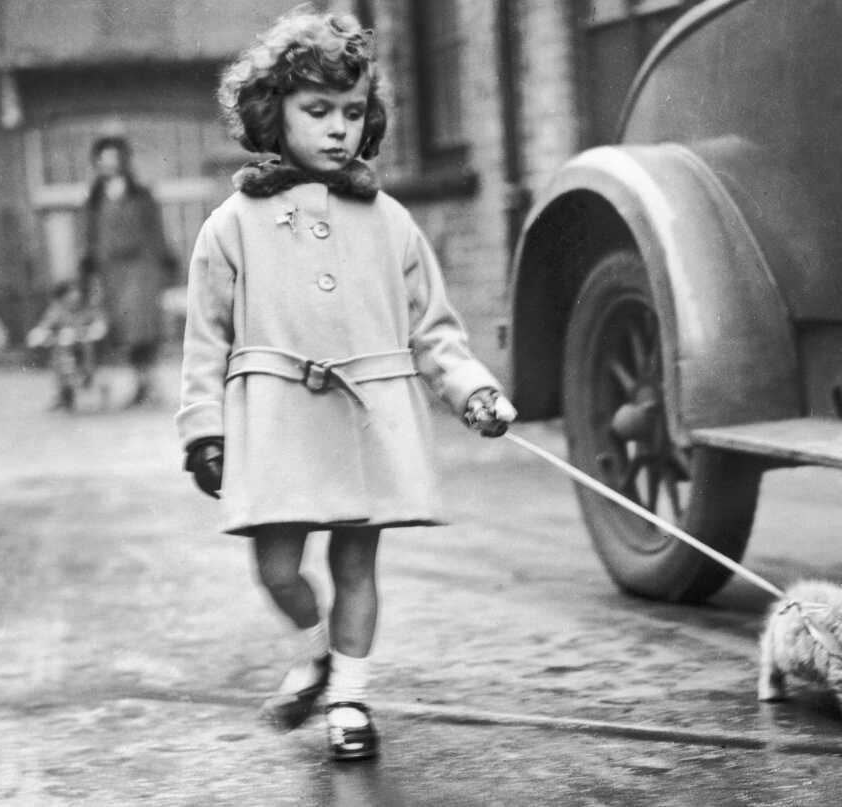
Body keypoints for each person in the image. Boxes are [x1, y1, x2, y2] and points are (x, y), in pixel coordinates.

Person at [175, 8, 516, 761]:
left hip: (370, 415)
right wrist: (204, 428)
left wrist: (473, 391)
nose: (339, 129)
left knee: (356, 562)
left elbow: (434, 328)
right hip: (275, 417)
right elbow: (207, 338)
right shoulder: (233, 224)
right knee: (276, 567)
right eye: (318, 111)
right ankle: (316, 646)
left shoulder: (390, 220)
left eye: (353, 112)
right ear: (274, 114)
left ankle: (351, 697)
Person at [81, 135, 176, 407]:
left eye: (114, 157)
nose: (109, 164)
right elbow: (89, 237)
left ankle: (148, 384)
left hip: (143, 269)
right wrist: (89, 269)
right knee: (123, 330)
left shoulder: (142, 195)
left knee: (144, 328)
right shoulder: (94, 199)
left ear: (124, 161)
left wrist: (165, 266)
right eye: (103, 158)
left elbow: (157, 233)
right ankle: (140, 383)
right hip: (112, 272)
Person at [26, 275, 108, 411]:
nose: (74, 296)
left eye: (75, 292)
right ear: (62, 296)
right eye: (70, 293)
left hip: (87, 347)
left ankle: (87, 380)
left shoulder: (87, 309)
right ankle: (65, 392)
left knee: (86, 353)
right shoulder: (57, 310)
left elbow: (100, 323)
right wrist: (39, 334)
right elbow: (45, 325)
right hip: (66, 347)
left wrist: (94, 331)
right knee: (61, 356)